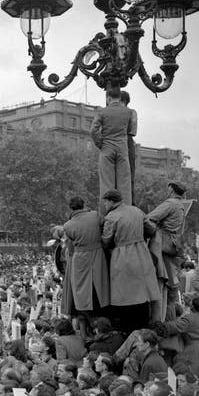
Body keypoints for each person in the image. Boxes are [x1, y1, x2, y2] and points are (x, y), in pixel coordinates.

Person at [101, 190, 162, 322]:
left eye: (105, 201)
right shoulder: (137, 211)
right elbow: (151, 230)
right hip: (142, 254)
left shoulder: (111, 217)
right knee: (143, 291)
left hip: (122, 257)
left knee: (125, 294)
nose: (104, 204)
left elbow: (106, 241)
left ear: (111, 201)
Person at [62, 196, 110, 336]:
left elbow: (70, 249)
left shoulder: (68, 226)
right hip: (98, 256)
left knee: (81, 294)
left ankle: (88, 331)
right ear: (84, 204)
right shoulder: (95, 215)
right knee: (100, 289)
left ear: (71, 208)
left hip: (79, 260)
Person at [146, 181, 187, 321]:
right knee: (170, 288)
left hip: (161, 244)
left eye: (168, 188)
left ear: (171, 190)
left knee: (159, 284)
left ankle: (158, 320)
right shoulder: (181, 206)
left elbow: (149, 218)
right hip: (172, 246)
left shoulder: (170, 203)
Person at [90, 87, 136, 206]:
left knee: (106, 185)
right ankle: (125, 214)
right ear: (120, 98)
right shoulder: (129, 112)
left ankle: (106, 216)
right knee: (124, 186)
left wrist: (101, 144)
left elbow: (93, 131)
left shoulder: (102, 112)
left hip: (107, 149)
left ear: (108, 98)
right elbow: (131, 131)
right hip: (122, 149)